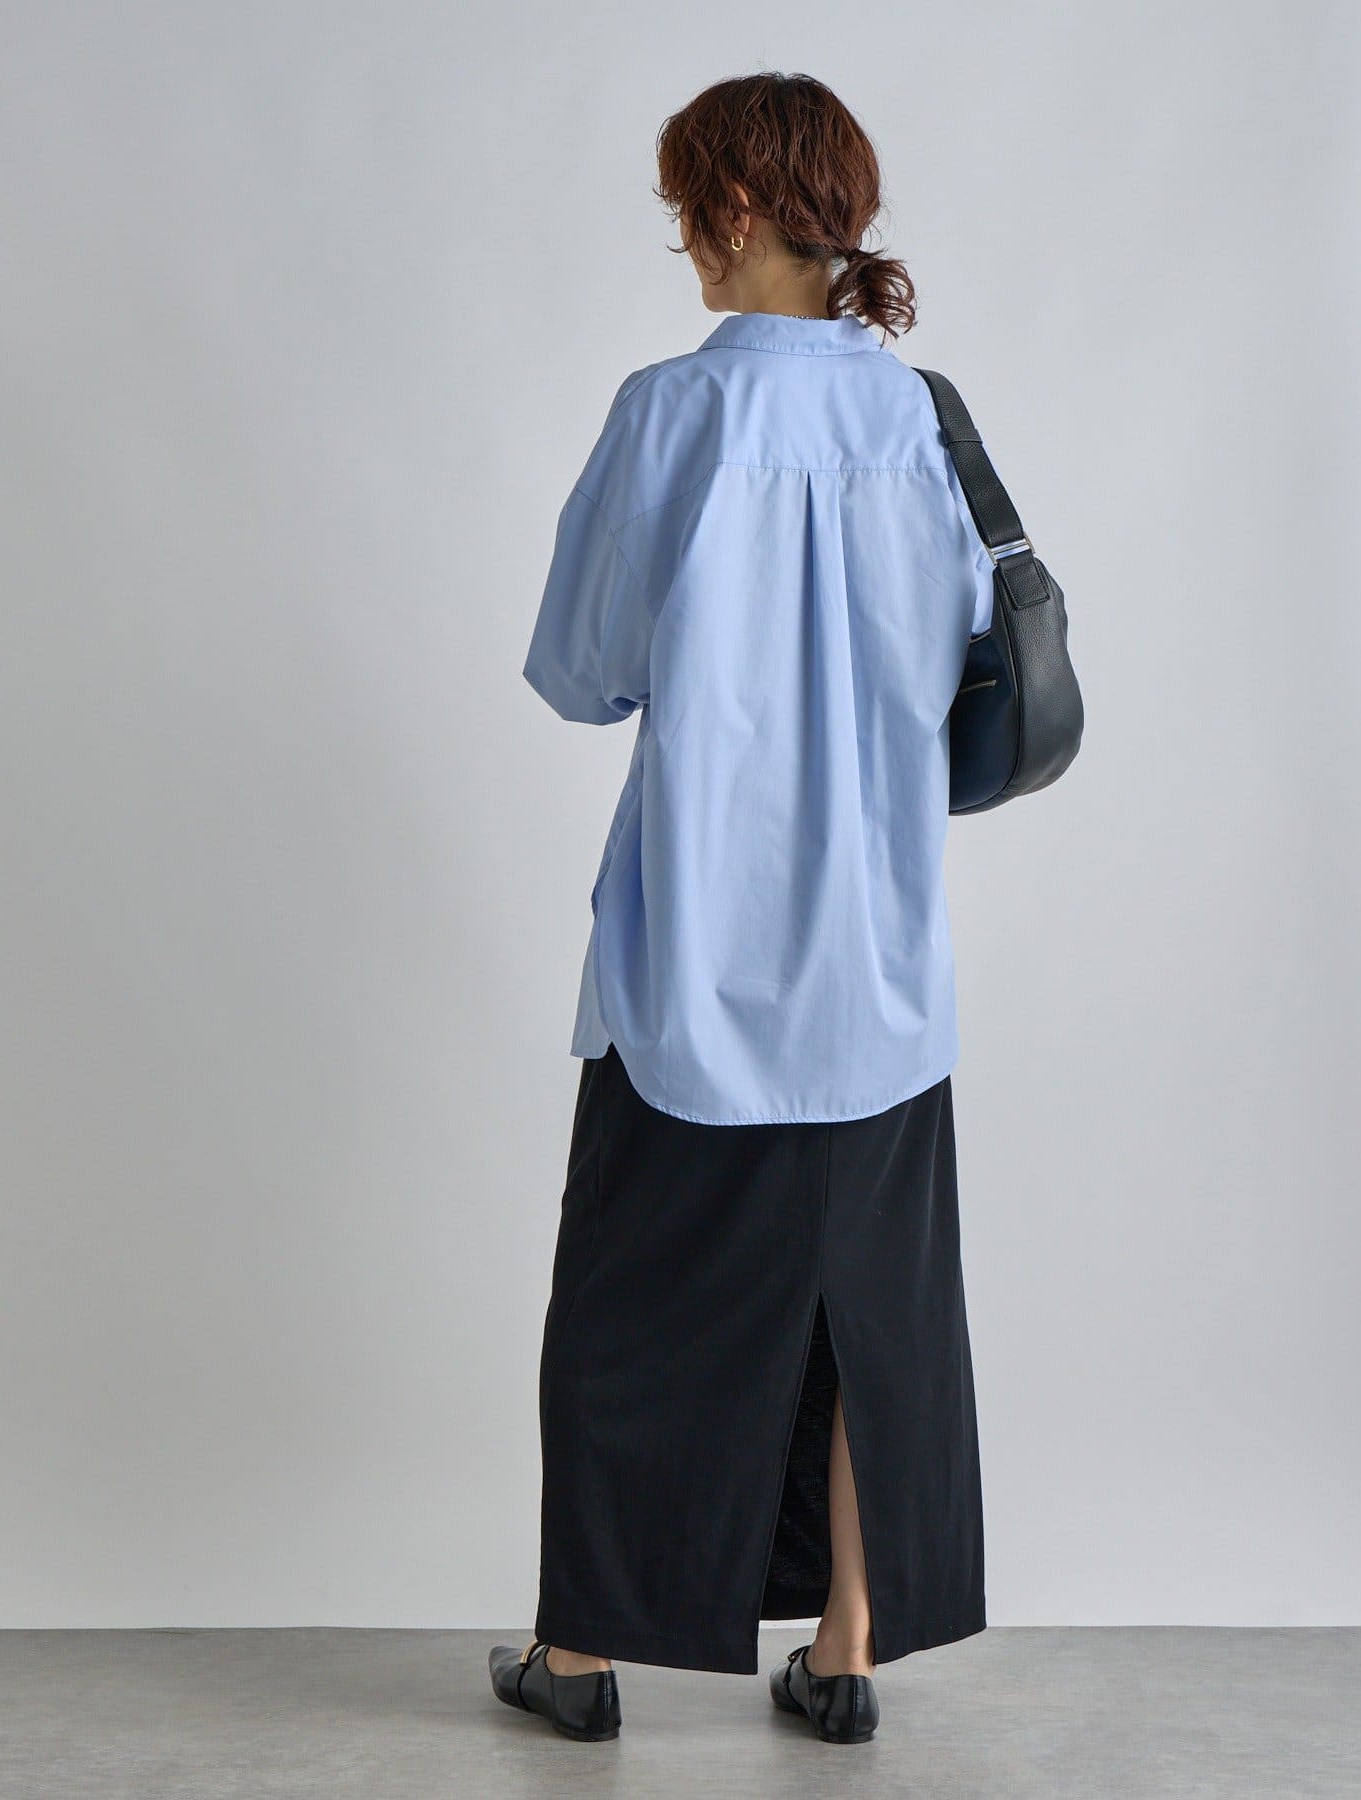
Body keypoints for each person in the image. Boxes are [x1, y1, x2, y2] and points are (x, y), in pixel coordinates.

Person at [490, 70, 996, 1747]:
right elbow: (963, 659)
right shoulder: (916, 421)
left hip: (696, 954)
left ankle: (580, 1659)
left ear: (742, 205)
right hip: (879, 951)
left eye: (688, 207)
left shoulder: (672, 412)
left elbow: (582, 668)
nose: (683, 242)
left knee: (626, 1310)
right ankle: (845, 1651)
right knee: (872, 1321)